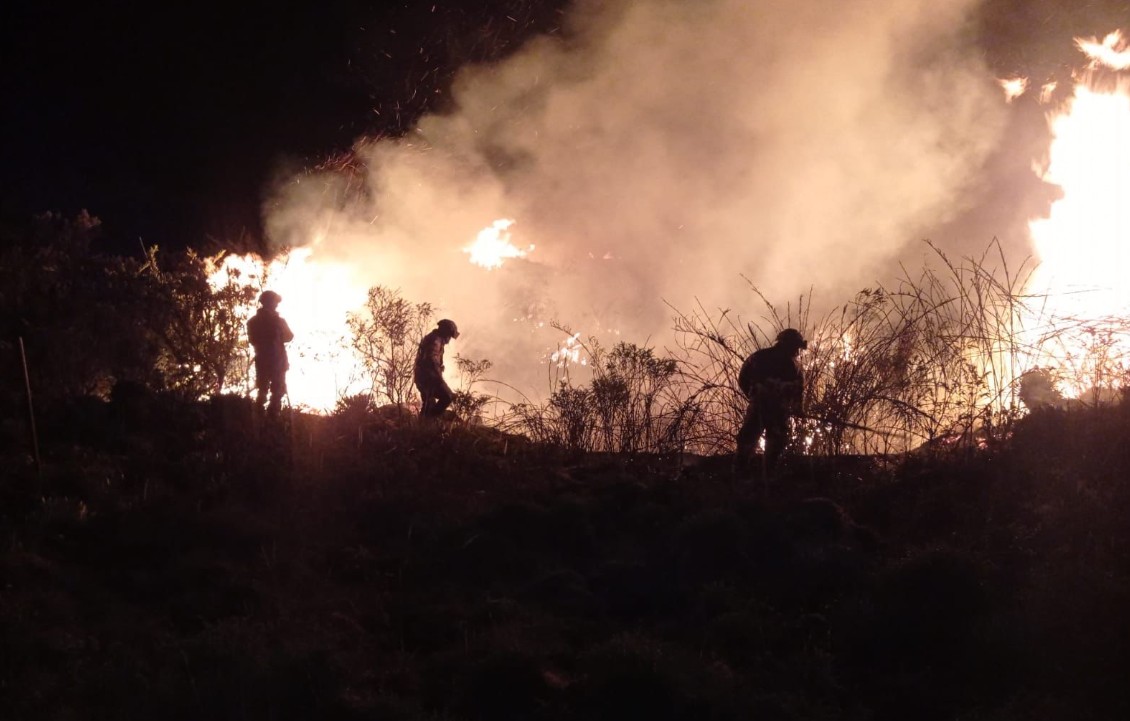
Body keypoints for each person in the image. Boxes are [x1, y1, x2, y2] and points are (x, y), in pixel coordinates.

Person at [735, 328, 807, 475]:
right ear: (790, 345)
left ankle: (740, 475)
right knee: (775, 444)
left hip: (760, 407)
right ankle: (767, 475)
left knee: (748, 440)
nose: (797, 351)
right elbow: (798, 390)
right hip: (777, 411)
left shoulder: (758, 357)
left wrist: (753, 396)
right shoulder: (794, 366)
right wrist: (797, 408)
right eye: (796, 347)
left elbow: (743, 378)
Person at [246, 290, 294, 416]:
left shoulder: (253, 321)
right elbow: (289, 336)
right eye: (275, 302)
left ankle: (261, 415)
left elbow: (289, 336)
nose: (277, 304)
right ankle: (270, 417)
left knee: (266, 390)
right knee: (273, 390)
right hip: (274, 361)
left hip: (267, 360)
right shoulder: (278, 321)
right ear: (268, 303)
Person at [414, 318, 459, 419]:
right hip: (428, 378)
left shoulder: (434, 338)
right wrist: (439, 379)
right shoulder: (436, 340)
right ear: (446, 333)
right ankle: (428, 422)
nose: (450, 339)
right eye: (450, 336)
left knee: (428, 404)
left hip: (423, 377)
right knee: (447, 397)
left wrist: (439, 367)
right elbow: (431, 359)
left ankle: (424, 424)